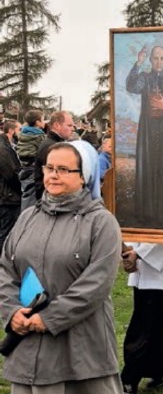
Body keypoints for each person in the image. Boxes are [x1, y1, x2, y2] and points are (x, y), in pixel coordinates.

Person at [0, 141, 123, 392]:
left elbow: (96, 284)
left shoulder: (101, 223)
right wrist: (12, 311)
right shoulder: (27, 218)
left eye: (65, 170)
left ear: (84, 176)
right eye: (50, 168)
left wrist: (49, 318)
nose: (54, 175)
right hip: (28, 343)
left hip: (81, 349)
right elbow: (6, 269)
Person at [126, 45, 163, 228]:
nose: (158, 62)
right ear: (151, 59)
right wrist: (138, 63)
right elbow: (131, 86)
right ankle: (148, 213)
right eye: (155, 58)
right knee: (148, 167)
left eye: (161, 58)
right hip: (147, 131)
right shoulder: (144, 78)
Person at [120, 244, 163, 394]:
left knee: (145, 326)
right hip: (143, 266)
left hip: (159, 271)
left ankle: (130, 378)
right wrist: (128, 251)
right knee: (159, 323)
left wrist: (137, 253)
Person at [33, 111, 74, 201]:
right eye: (69, 125)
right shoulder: (51, 147)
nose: (73, 129)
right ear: (56, 125)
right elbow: (49, 178)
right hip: (50, 201)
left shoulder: (55, 144)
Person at [16, 110, 46, 211]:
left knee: (26, 193)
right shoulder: (39, 136)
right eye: (43, 120)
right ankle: (26, 220)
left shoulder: (23, 133)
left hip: (24, 167)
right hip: (32, 167)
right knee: (30, 197)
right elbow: (43, 151)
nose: (44, 122)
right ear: (37, 122)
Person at [0, 120, 22, 253]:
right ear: (12, 131)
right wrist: (20, 189)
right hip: (7, 197)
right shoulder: (3, 149)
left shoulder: (7, 146)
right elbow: (10, 174)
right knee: (5, 233)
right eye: (19, 130)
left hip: (6, 196)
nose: (21, 133)